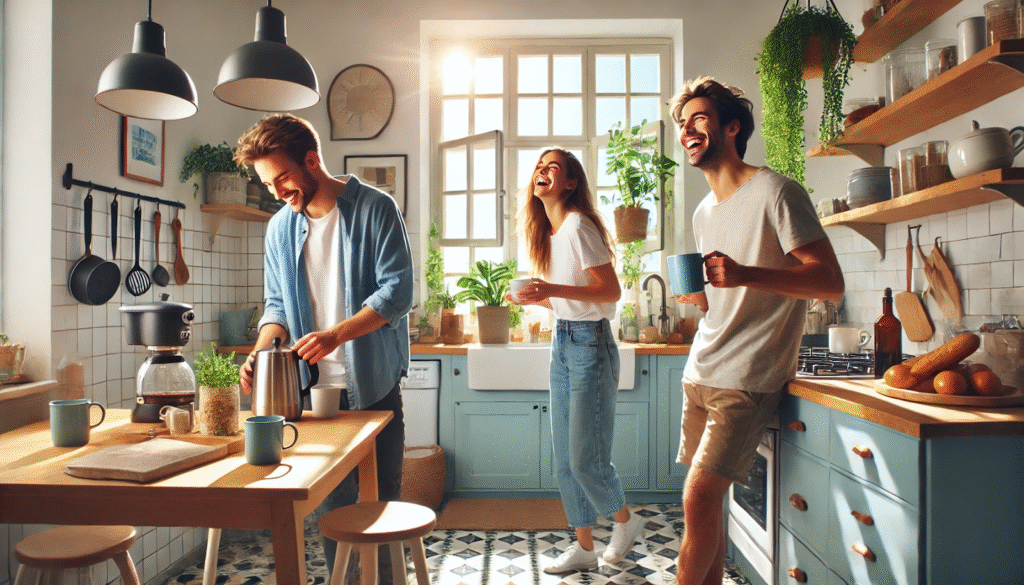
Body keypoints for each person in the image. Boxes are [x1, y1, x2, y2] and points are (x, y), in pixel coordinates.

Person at [668, 77, 844, 585]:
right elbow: (729, 298)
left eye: (700, 118)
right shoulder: (705, 212)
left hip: (746, 377)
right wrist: (702, 296)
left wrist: (745, 274)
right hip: (702, 368)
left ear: (732, 126)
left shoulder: (777, 191)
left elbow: (830, 282)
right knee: (708, 509)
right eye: (683, 124)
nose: (688, 130)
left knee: (696, 499)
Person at [234, 113, 414, 576]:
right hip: (312, 400)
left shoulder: (376, 208)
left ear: (312, 161)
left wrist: (336, 335)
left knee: (379, 515)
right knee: (334, 520)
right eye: (268, 183)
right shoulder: (279, 228)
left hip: (373, 391)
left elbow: (398, 292)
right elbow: (276, 306)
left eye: (284, 178)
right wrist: (260, 351)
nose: (276, 192)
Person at [512, 148, 643, 574]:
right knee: (565, 457)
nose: (542, 172)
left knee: (587, 458)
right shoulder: (549, 234)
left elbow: (609, 292)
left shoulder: (579, 225)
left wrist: (549, 289)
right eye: (539, 166)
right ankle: (584, 548)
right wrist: (539, 298)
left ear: (570, 183)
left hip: (590, 346)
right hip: (564, 342)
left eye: (553, 167)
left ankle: (625, 520)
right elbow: (570, 301)